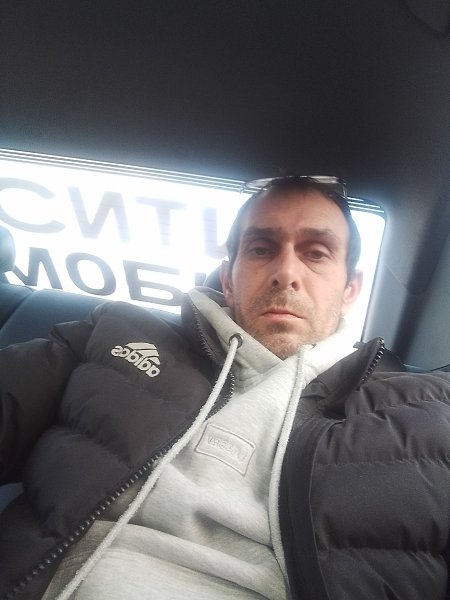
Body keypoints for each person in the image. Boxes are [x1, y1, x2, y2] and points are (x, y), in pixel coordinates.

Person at [0, 176, 449, 600]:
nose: (286, 272)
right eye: (261, 249)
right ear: (229, 279)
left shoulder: (426, 415)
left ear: (351, 288)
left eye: (316, 253)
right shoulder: (117, 333)